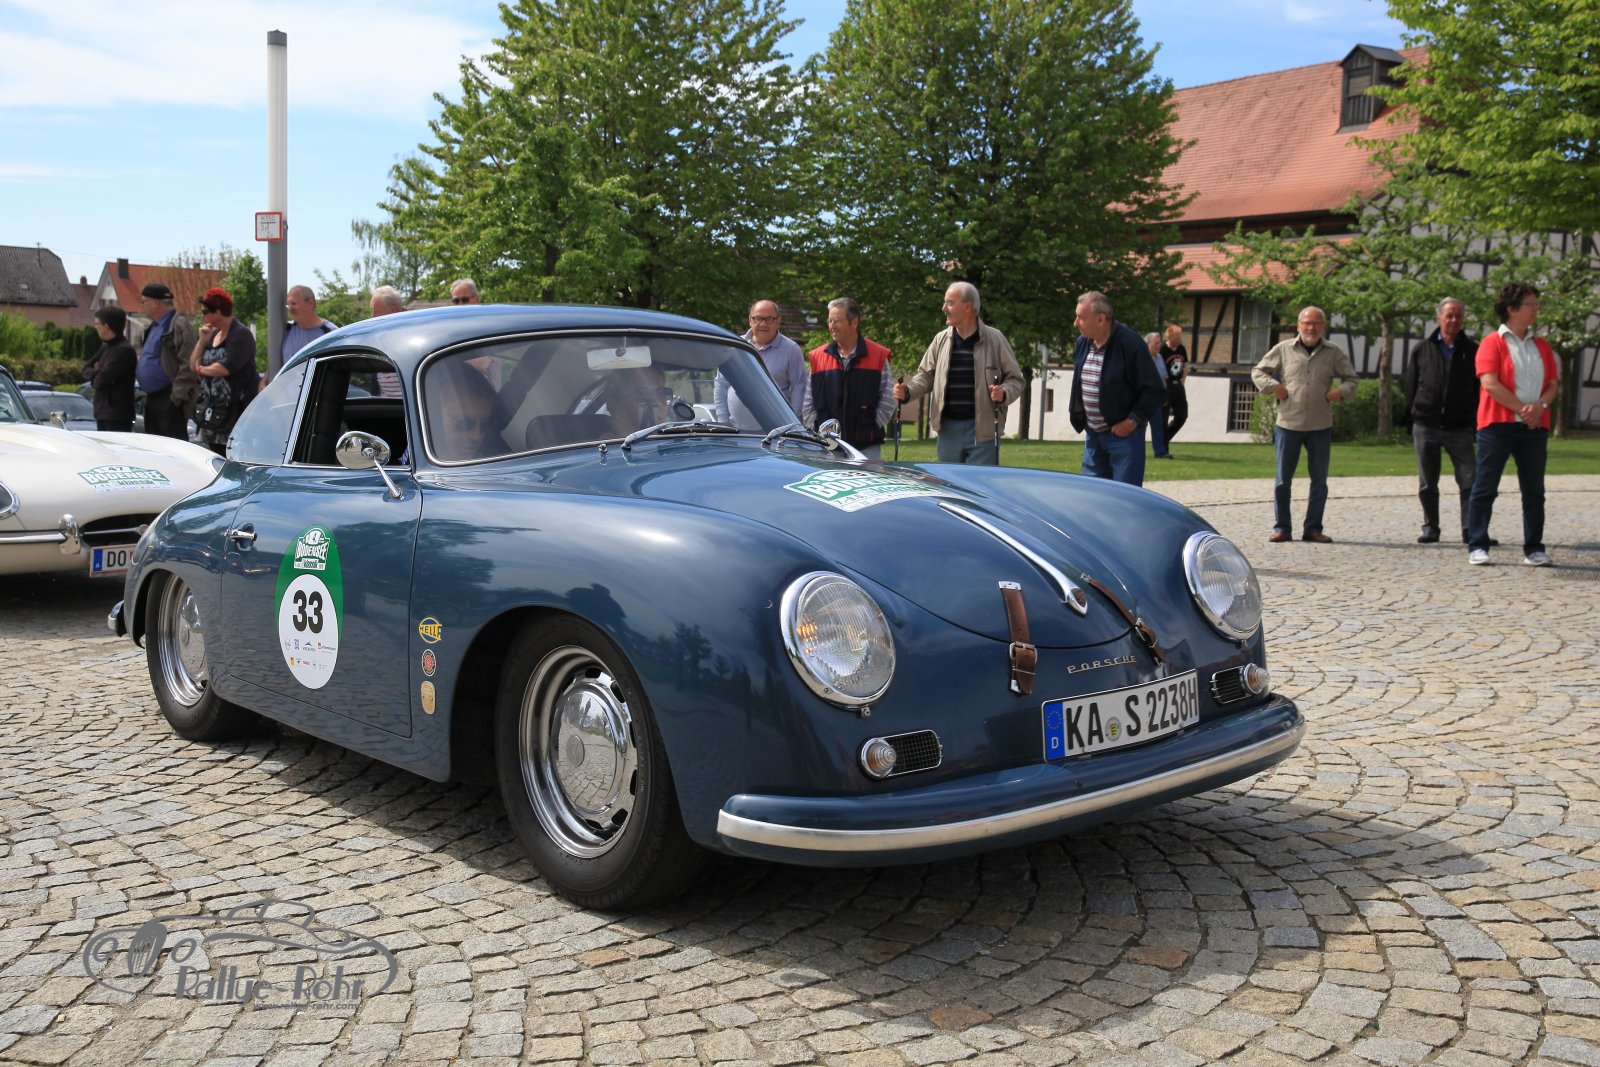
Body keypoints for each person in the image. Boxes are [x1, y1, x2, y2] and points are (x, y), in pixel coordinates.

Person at [1465, 283, 1559, 567]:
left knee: (1534, 491)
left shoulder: (1542, 345)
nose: (1536, 309)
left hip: (1534, 428)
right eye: (1531, 304)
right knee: (1485, 487)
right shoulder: (1491, 343)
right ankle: (1478, 544)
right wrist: (1522, 409)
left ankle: (1534, 548)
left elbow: (1553, 384)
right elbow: (1490, 383)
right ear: (1512, 309)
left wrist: (1540, 407)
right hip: (1497, 426)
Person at [1252, 306, 1358, 543]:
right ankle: (1282, 528)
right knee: (1282, 481)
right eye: (1307, 323)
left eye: (1316, 323)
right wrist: (1274, 387)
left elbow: (1352, 379)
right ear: (1299, 325)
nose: (1311, 328)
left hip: (1320, 425)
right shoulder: (1284, 349)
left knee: (1319, 482)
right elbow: (1258, 372)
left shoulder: (1333, 352)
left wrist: (1340, 392)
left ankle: (1313, 528)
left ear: (1323, 327)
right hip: (1288, 424)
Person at [894, 282, 1023, 465]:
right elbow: (925, 376)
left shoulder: (995, 339)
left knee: (980, 482)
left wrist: (1004, 393)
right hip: (947, 430)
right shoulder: (940, 340)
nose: (943, 308)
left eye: (950, 303)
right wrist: (908, 392)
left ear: (967, 306)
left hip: (983, 431)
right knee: (950, 481)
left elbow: (1016, 379)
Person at [1067, 291, 1166, 487]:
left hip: (1124, 437)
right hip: (1093, 435)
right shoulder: (1082, 343)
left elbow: (1154, 390)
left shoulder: (1130, 344)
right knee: (1092, 495)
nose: (1075, 323)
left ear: (1101, 319)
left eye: (1081, 318)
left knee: (1124, 497)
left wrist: (1132, 421)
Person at [1404, 297, 1481, 545]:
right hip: (1426, 424)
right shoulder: (1422, 349)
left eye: (1458, 316)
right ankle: (1431, 528)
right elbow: (1411, 385)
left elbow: (1479, 389)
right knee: (1428, 482)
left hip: (1460, 426)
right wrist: (1414, 414)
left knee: (1470, 480)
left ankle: (1470, 529)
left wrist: (1474, 420)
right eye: (1449, 315)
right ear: (1438, 318)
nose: (1453, 320)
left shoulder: (1473, 350)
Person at [802, 297, 895, 459]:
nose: (832, 326)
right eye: (830, 321)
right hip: (826, 450)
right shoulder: (818, 357)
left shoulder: (877, 355)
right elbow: (808, 405)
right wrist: (819, 431)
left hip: (866, 449)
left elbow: (888, 401)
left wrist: (870, 428)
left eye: (837, 321)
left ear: (854, 322)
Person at [715, 300, 807, 430]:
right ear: (750, 320)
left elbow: (799, 387)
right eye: (758, 319)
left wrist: (794, 424)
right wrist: (723, 422)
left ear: (778, 321)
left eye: (769, 319)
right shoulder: (735, 346)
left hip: (776, 433)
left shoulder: (791, 350)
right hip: (735, 432)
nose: (763, 324)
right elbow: (721, 384)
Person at [188, 287, 259, 455]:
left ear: (218, 311)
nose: (203, 316)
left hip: (233, 412)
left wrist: (201, 369)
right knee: (213, 455)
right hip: (211, 410)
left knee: (229, 455)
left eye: (205, 312)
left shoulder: (240, 334)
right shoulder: (212, 335)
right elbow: (192, 364)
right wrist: (202, 342)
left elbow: (225, 368)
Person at [134, 281, 198, 439]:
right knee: (155, 446)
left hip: (169, 398)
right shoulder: (153, 327)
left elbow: (189, 363)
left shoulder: (178, 325)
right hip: (153, 398)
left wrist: (176, 397)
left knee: (172, 446)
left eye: (144, 301)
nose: (142, 305)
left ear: (156, 303)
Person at [427, 359, 502, 460]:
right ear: (431, 419)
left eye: (485, 425)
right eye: (464, 424)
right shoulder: (409, 462)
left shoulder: (488, 460)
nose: (477, 436)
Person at [83, 307, 137, 432]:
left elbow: (101, 380)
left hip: (117, 414)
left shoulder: (124, 350)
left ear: (106, 326)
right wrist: (97, 373)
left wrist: (96, 375)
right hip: (102, 410)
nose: (95, 327)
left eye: (97, 323)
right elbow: (85, 369)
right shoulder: (106, 347)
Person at [283, 285, 337, 362]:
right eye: (288, 304)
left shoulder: (331, 334)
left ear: (310, 303)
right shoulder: (286, 329)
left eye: (294, 303)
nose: (290, 308)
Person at [370, 286, 407, 398]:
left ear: (393, 311)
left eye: (376, 313)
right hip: (385, 407)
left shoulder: (414, 336)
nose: (372, 317)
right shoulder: (377, 338)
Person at [1160, 323, 1189, 447]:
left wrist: (1183, 381)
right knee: (1164, 416)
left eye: (1180, 337)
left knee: (1182, 416)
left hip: (1178, 386)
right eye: (1177, 337)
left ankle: (1164, 438)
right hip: (1166, 386)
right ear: (1169, 337)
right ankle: (1162, 447)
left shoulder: (1181, 349)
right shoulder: (1163, 350)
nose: (1179, 339)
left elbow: (1185, 366)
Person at [1145, 331, 1171, 459]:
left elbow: (1163, 379)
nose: (1158, 346)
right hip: (1143, 398)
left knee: (1158, 426)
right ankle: (1136, 451)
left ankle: (1160, 452)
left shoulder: (1160, 358)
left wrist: (1164, 395)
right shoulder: (1141, 358)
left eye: (1159, 343)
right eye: (1156, 343)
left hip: (1156, 399)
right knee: (1139, 426)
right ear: (1148, 344)